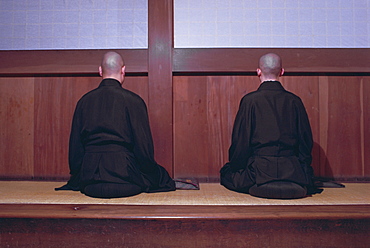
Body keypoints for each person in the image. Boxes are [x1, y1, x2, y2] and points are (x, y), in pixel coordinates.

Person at [55, 51, 176, 198]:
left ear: (100, 71)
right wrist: (151, 171)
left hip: (90, 180)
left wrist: (78, 175)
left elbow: (75, 149)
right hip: (126, 179)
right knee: (162, 177)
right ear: (123, 70)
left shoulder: (84, 101)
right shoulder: (134, 101)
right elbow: (143, 150)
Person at [220, 53, 319, 199]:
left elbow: (240, 143)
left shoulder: (250, 101)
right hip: (291, 170)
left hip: (258, 171)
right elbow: (305, 142)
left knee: (226, 172)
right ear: (282, 72)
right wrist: (303, 170)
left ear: (258, 71)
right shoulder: (294, 101)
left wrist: (237, 167)